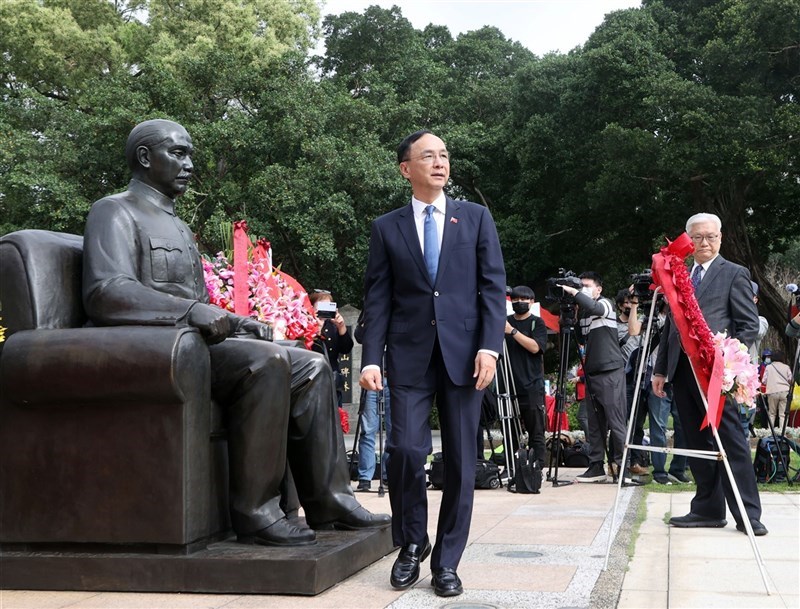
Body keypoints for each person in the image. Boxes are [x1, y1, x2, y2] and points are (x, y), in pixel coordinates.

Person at [82, 119, 390, 548]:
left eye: (190, 153)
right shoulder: (115, 210)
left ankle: (331, 501)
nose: (189, 164)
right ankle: (256, 512)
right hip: (151, 349)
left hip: (196, 346)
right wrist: (193, 311)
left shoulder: (174, 223)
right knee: (266, 362)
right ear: (145, 157)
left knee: (312, 366)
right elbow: (108, 293)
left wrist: (240, 322)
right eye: (178, 153)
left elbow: (200, 304)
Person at [359, 129, 506, 597]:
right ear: (407, 169)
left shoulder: (476, 218)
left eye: (444, 155)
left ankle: (447, 562)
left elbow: (492, 287)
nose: (440, 162)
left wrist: (489, 346)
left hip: (466, 358)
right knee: (404, 450)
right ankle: (411, 543)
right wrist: (371, 357)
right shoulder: (387, 226)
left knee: (463, 462)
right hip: (407, 356)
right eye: (428, 156)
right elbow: (378, 298)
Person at [652, 212, 766, 536]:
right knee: (696, 442)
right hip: (682, 372)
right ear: (688, 241)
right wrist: (661, 370)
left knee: (731, 442)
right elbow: (670, 328)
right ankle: (707, 508)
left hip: (719, 376)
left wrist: (731, 362)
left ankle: (748, 514)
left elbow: (748, 325)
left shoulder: (735, 273)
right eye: (698, 237)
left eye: (711, 236)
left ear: (721, 238)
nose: (705, 243)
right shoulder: (680, 276)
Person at [561, 273, 632, 483]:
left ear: (598, 289)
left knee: (616, 422)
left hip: (610, 371)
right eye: (579, 286)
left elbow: (596, 309)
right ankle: (596, 466)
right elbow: (580, 338)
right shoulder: (583, 313)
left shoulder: (605, 304)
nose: (582, 289)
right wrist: (571, 314)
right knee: (595, 424)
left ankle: (623, 467)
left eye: (586, 286)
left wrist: (574, 292)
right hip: (591, 372)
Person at [503, 285, 548, 467]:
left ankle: (537, 467)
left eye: (523, 299)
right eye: (514, 300)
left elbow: (536, 347)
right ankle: (511, 467)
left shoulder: (537, 323)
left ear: (531, 301)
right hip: (508, 386)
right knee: (509, 432)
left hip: (531, 386)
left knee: (535, 431)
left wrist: (513, 332)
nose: (518, 303)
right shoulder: (504, 321)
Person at [309, 289, 354, 409]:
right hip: (312, 380)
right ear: (312, 307)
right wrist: (317, 330)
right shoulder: (306, 324)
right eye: (321, 305)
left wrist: (341, 327)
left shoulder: (333, 325)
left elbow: (346, 349)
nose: (325, 309)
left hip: (332, 380)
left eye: (328, 306)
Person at [762, 350, 793, 431]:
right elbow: (791, 380)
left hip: (772, 392)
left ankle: (771, 432)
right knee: (783, 414)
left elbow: (764, 381)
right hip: (785, 392)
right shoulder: (786, 367)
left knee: (772, 414)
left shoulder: (768, 367)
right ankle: (783, 432)